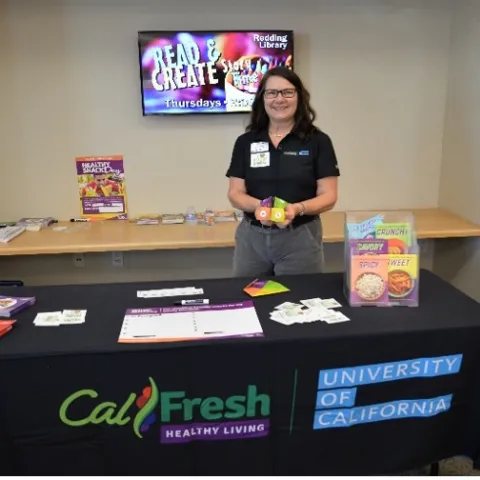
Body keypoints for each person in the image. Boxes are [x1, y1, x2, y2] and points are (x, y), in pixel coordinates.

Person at [225, 67, 340, 277]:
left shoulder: (318, 141)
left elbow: (329, 196)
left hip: (300, 238)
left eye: (287, 92)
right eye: (272, 93)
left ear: (299, 97)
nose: (280, 99)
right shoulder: (246, 142)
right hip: (252, 239)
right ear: (263, 99)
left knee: (300, 302)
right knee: (247, 298)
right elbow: (235, 193)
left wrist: (297, 209)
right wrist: (260, 208)